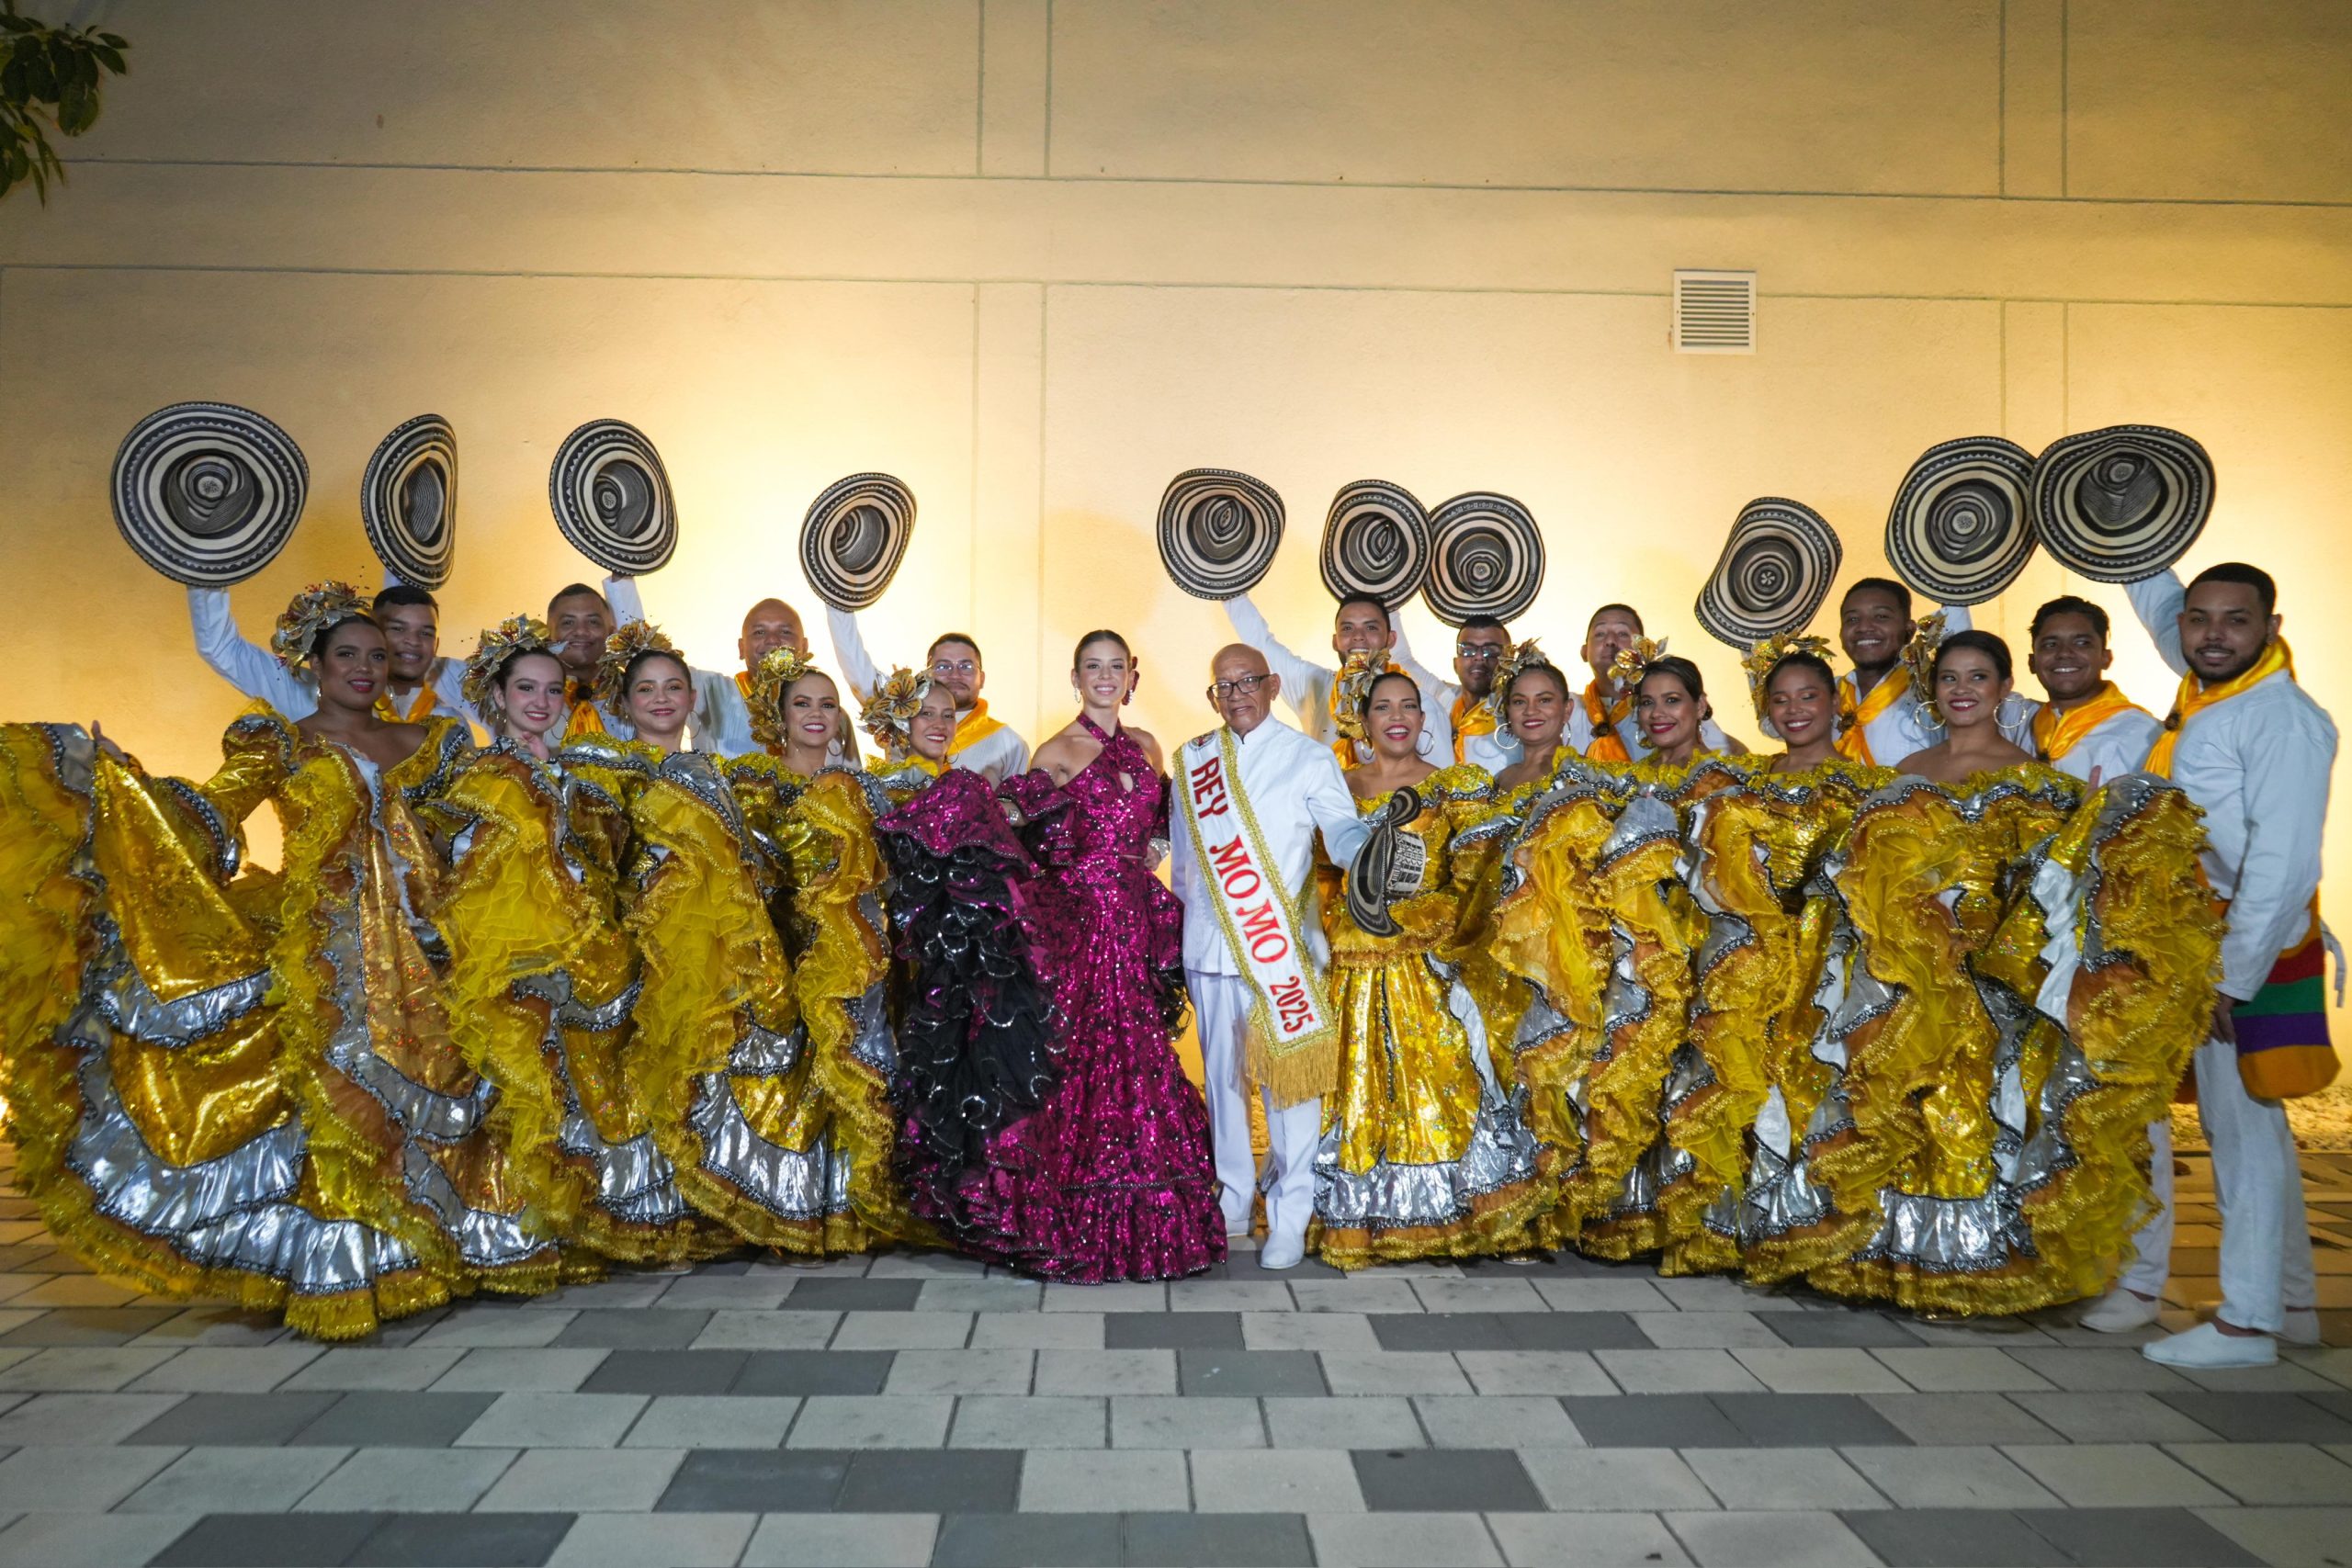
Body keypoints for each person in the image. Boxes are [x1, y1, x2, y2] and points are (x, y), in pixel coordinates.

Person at [429, 616, 714, 1266]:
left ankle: (593, 1215)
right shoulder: (482, 775)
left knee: (600, 1081)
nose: (540, 702)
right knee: (530, 1090)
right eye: (525, 689)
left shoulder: (578, 770)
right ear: (496, 696)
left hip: (590, 950)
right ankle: (521, 1231)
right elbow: (472, 874)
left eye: (552, 691)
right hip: (520, 960)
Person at [2110, 563, 2338, 1366]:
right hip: (2205, 938)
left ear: (2271, 627)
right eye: (2198, 619)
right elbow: (2160, 603)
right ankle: (2292, 1302)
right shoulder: (2215, 691)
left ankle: (2248, 1323)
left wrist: (2230, 979)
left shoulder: (2282, 718)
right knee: (2256, 1128)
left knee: (2240, 1129)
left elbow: (2281, 866)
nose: (2210, 633)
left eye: (2234, 620)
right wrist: (2121, 528)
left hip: (2249, 944)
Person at [957, 631, 1227, 1280]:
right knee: (1083, 1058)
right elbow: (1017, 823)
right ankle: (1071, 1214)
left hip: (1133, 919)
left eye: (1115, 667)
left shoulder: (1147, 747)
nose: (1104, 678)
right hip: (1083, 928)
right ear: (1074, 677)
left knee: (1141, 1056)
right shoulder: (1057, 751)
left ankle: (1154, 1214)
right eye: (1092, 668)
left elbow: (1158, 830)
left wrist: (1145, 866)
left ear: (1132, 676)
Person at [561, 625, 838, 1252]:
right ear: (623, 701)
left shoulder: (724, 774)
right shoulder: (602, 766)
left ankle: (716, 1201)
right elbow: (590, 858)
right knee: (644, 1067)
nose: (661, 699)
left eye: (674, 687)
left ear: (693, 698)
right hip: (639, 944)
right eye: (647, 689)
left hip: (715, 949)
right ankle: (647, 1214)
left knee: (713, 1067)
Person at [1315, 668, 1546, 1265]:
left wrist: (1434, 925)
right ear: (1363, 723)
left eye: (1408, 706)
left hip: (1429, 963)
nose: (1396, 716)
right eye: (1383, 707)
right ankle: (1365, 1214)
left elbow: (1474, 882)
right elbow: (1316, 877)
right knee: (1359, 1086)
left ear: (1424, 720)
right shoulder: (1335, 786)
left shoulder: (1454, 786)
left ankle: (1459, 1209)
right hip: (1355, 965)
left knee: (1445, 1077)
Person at [1169, 644, 1372, 1269]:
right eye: (1222, 686)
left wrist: (1370, 852)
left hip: (1280, 953)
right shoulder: (1194, 759)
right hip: (1209, 946)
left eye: (1246, 682)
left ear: (1273, 683)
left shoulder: (1309, 757)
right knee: (1226, 1086)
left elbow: (1341, 831)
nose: (1234, 696)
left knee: (1290, 1090)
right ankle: (1232, 1201)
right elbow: (1181, 863)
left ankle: (1290, 1214)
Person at [187, 580, 469, 723]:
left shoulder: (449, 720)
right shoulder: (310, 694)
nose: (411, 641)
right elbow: (221, 648)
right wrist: (212, 562)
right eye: (396, 629)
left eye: (425, 633)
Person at [1226, 591, 1455, 765]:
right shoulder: (1314, 687)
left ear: (1391, 639)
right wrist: (1221, 578)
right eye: (1347, 629)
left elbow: (1441, 786)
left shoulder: (1421, 705)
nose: (1358, 637)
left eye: (1371, 628)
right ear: (1335, 641)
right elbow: (1260, 642)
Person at [607, 577, 809, 758]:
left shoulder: (827, 709)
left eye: (785, 632)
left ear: (804, 647)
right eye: (759, 632)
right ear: (741, 648)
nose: (772, 640)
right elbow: (643, 656)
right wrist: (622, 577)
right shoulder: (710, 689)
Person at [1833, 580, 2027, 764]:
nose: (1864, 627)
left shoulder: (1934, 691)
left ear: (1909, 631)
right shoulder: (1822, 695)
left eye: (1881, 617)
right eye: (1852, 619)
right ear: (1840, 633)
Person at [829, 608, 1031, 781]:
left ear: (982, 678)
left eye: (966, 666)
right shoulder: (900, 717)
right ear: (927, 673)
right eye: (943, 666)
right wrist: (839, 598)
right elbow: (856, 667)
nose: (955, 674)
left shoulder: (1009, 743)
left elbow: (1019, 816)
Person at [2025, 595, 2163, 784]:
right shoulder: (2022, 722)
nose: (2064, 653)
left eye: (2082, 643)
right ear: (2032, 663)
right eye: (2050, 645)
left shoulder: (2141, 734)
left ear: (2106, 658)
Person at [1568, 604, 1731, 761]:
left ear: (1643, 648)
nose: (1610, 641)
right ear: (1584, 651)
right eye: (1600, 634)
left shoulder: (1670, 710)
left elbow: (1726, 761)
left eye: (1623, 634)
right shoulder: (1563, 708)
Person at [549, 581, 637, 741]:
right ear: (549, 636)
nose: (581, 631)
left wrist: (621, 578)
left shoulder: (636, 693)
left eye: (593, 622)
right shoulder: (528, 695)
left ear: (611, 633)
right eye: (568, 622)